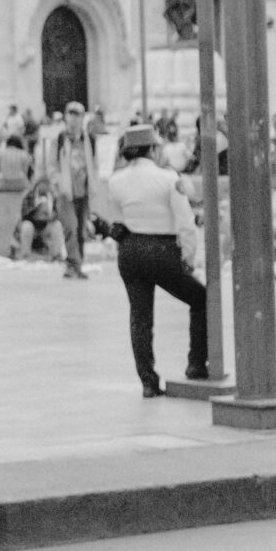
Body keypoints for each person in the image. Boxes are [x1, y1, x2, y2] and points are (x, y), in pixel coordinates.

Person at [103, 123, 208, 396]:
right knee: (200, 299)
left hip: (130, 249)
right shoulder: (168, 179)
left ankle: (148, 381)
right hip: (161, 248)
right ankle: (196, 363)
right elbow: (185, 223)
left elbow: (116, 220)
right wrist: (188, 257)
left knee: (140, 317)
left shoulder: (116, 181)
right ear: (151, 149)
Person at [47, 99, 94, 279]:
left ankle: (77, 264)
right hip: (65, 192)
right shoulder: (59, 140)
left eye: (78, 115)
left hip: (84, 191)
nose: (74, 119)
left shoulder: (88, 140)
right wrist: (57, 183)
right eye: (71, 115)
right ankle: (73, 263)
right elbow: (52, 165)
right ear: (66, 117)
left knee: (81, 230)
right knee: (71, 228)